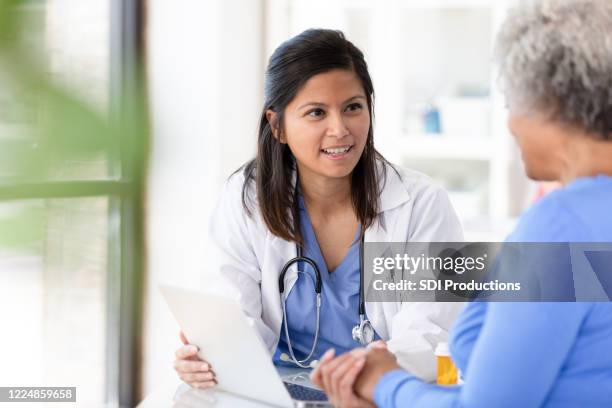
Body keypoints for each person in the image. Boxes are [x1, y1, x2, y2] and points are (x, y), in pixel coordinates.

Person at [311, 0, 612, 406]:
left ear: (551, 103)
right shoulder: (572, 221)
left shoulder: (560, 226)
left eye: (510, 103)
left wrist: (385, 383)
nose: (509, 124)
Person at [173, 29, 464, 390]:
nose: (339, 129)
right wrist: (207, 359)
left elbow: (432, 330)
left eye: (353, 108)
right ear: (277, 125)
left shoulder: (422, 204)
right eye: (316, 113)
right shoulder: (245, 199)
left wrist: (360, 378)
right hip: (271, 397)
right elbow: (229, 321)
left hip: (378, 394)